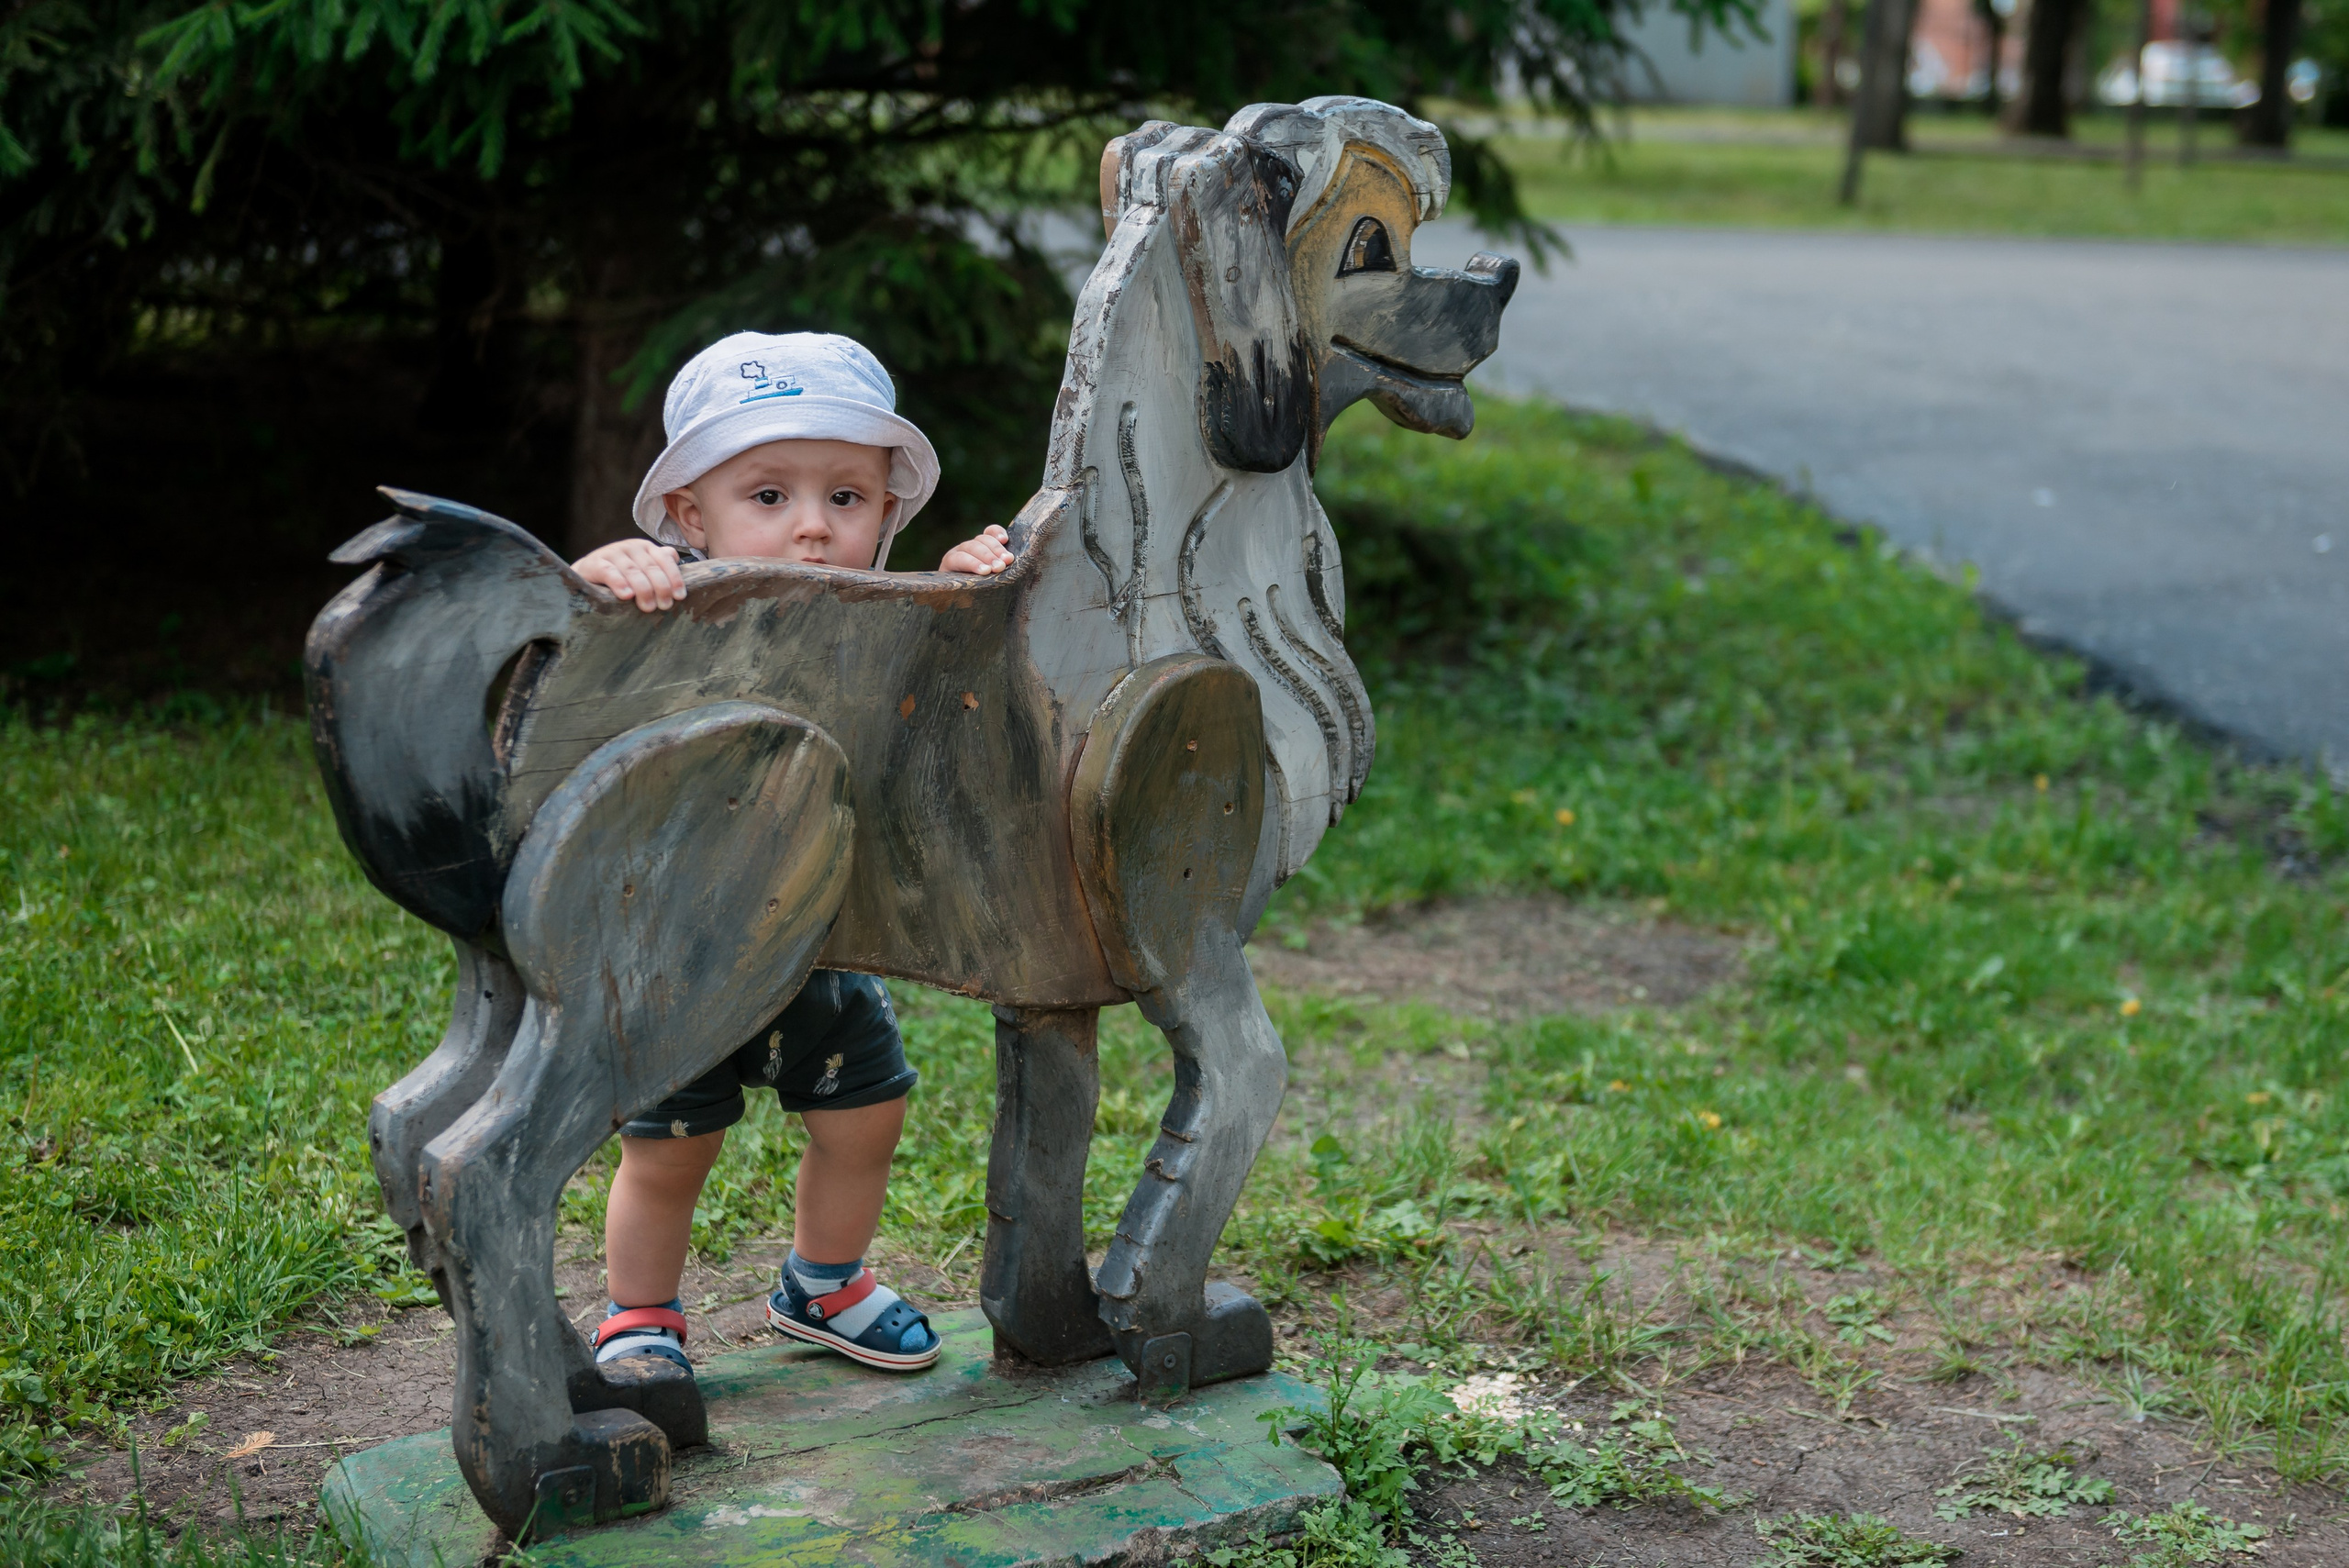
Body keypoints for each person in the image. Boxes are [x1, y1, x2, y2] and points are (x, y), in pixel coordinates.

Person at [570, 330, 1012, 1378]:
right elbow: (569, 650)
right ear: (689, 515)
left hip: (820, 940)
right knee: (671, 1147)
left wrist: (960, 596)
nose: (813, 527)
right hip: (678, 950)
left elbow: (946, 703)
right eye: (769, 495)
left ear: (884, 512)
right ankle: (639, 1315)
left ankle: (826, 1282)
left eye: (846, 498)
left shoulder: (874, 615)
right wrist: (599, 572)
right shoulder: (662, 603)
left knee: (866, 1113)